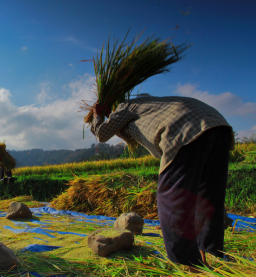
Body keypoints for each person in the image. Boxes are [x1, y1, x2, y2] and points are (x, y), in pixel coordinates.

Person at [91, 95, 234, 273]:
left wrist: (98, 115)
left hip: (185, 131)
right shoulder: (153, 105)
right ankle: (210, 254)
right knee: (205, 196)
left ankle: (191, 264)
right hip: (219, 127)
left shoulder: (125, 105)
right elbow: (125, 130)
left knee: (172, 198)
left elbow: (102, 134)